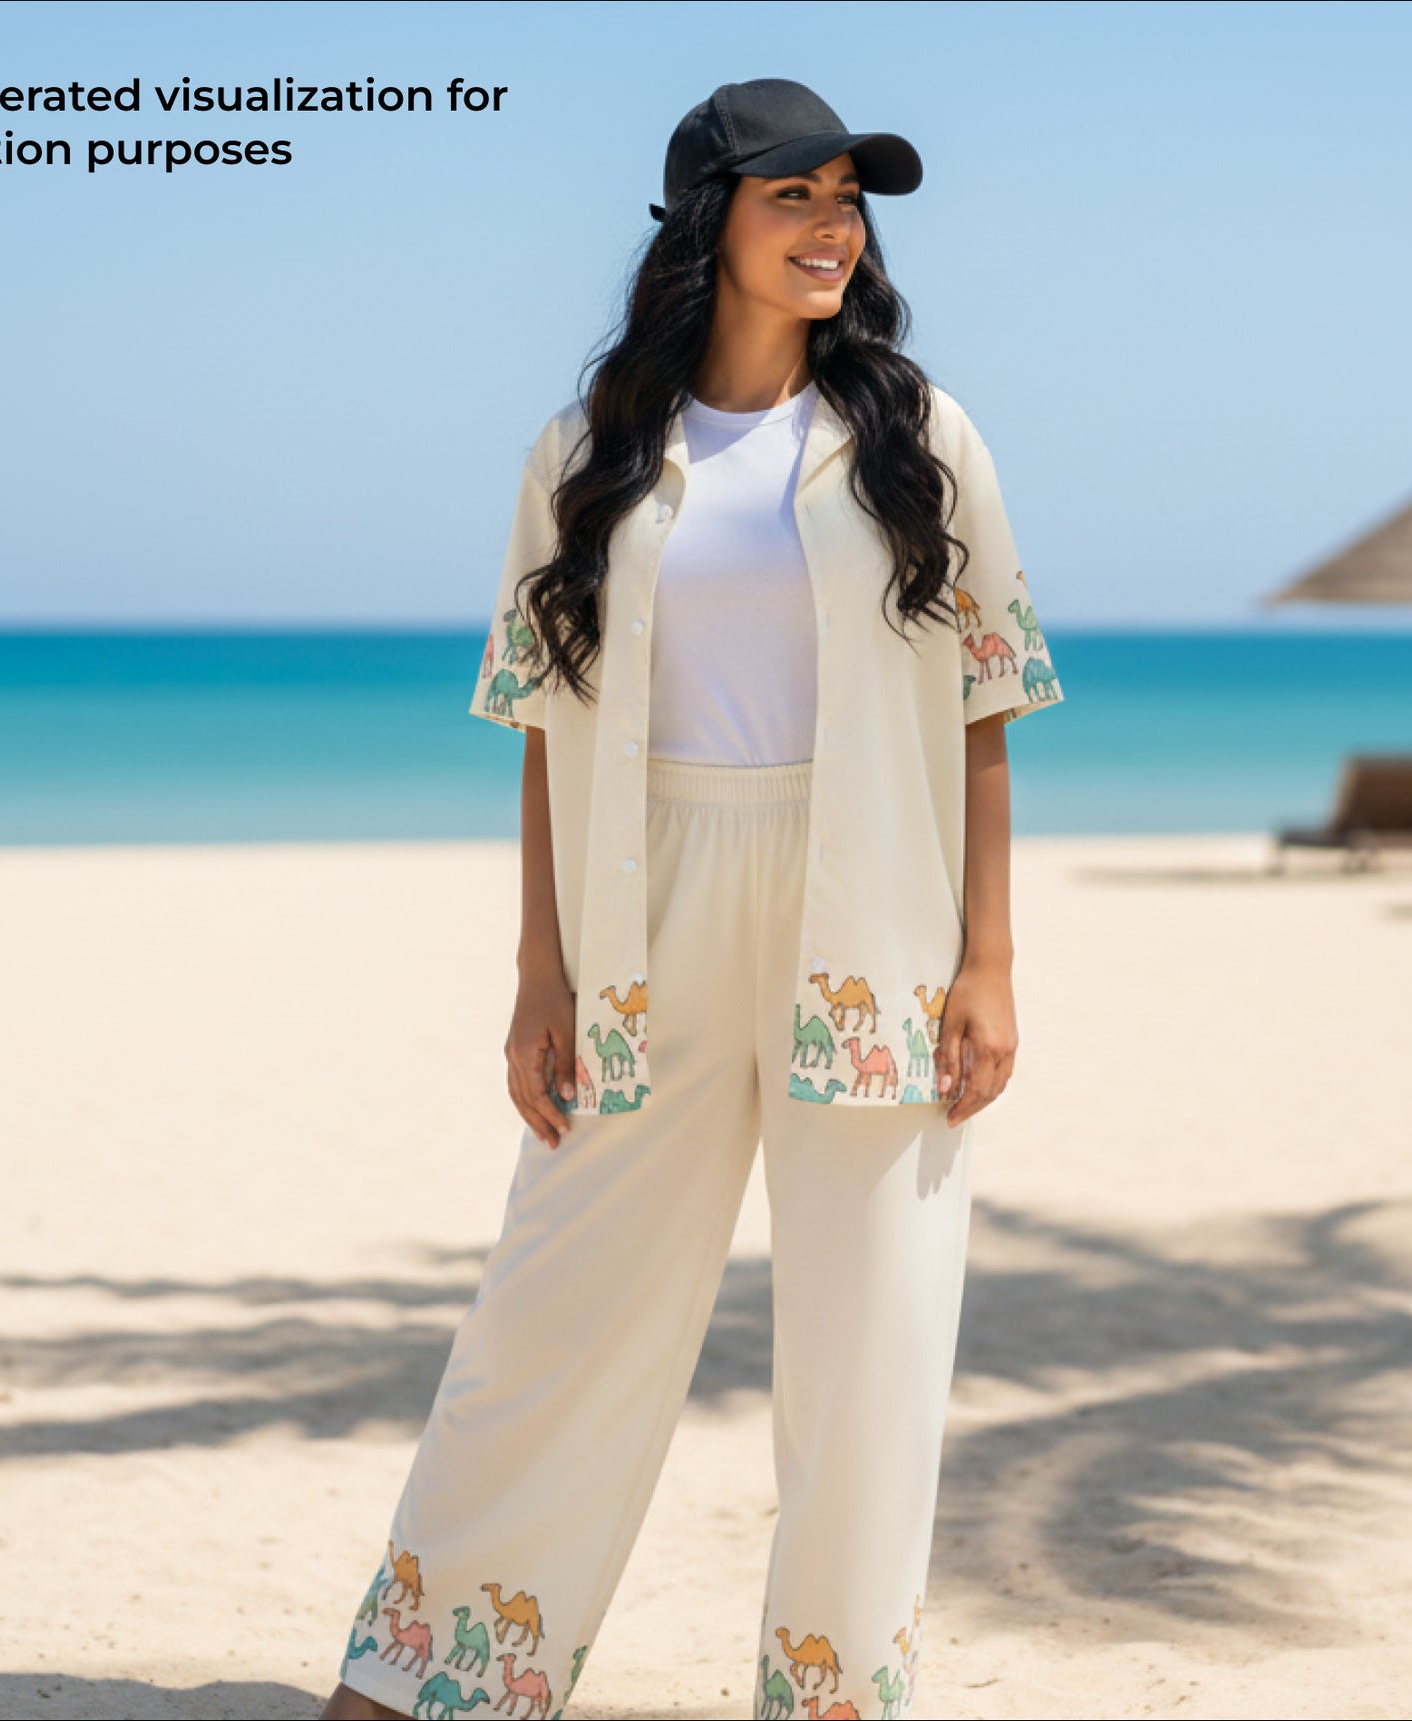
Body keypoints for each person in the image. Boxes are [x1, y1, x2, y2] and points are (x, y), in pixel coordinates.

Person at [320, 76, 1064, 1721]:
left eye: (846, 201)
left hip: (869, 917)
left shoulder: (918, 439)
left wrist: (987, 960)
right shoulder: (586, 453)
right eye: (792, 196)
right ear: (704, 226)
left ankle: (830, 1698)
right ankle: (428, 1675)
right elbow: (541, 718)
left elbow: (986, 701)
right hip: (645, 910)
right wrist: (540, 973)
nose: (829, 227)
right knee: (553, 1316)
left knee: (870, 1357)